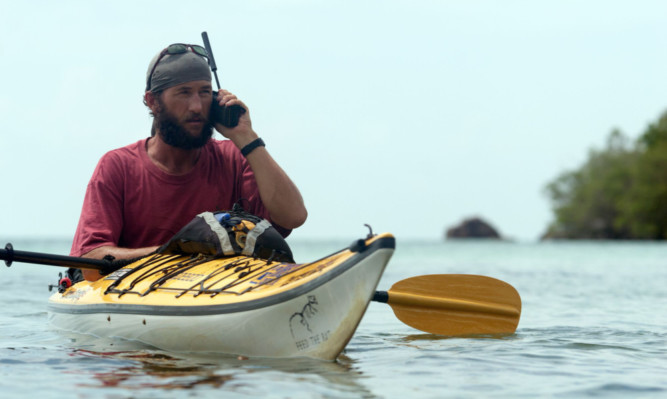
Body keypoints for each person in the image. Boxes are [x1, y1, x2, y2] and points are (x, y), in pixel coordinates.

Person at [70, 43, 307, 281]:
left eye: (204, 92)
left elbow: (294, 217)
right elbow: (92, 263)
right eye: (184, 93)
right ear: (153, 101)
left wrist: (247, 138)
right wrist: (181, 250)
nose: (196, 106)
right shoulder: (116, 166)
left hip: (223, 290)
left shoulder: (235, 158)